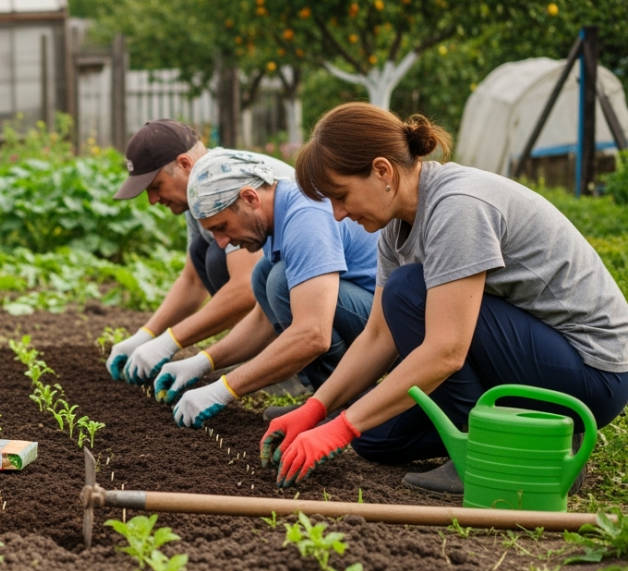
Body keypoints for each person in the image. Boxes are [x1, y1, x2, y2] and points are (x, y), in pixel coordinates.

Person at [262, 102, 628, 494]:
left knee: (407, 292)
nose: (337, 215)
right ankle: (531, 436)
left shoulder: (458, 207)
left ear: (382, 171)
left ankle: (506, 452)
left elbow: (446, 350)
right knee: (373, 438)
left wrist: (339, 426)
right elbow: (377, 336)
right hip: (535, 358)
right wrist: (318, 410)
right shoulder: (394, 229)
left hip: (593, 373)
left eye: (341, 195)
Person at [162, 149, 378, 429]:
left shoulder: (305, 214)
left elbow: (313, 335)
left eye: (223, 226)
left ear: (250, 198)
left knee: (281, 280)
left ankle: (349, 402)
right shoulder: (276, 215)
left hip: (391, 328)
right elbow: (262, 321)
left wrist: (223, 389)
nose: (222, 242)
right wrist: (203, 362)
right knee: (265, 275)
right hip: (366, 311)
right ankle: (327, 397)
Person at [107, 120, 295, 386]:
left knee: (226, 261)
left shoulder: (221, 186)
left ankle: (286, 368)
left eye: (156, 185)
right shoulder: (198, 194)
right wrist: (146, 336)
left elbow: (245, 289)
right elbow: (192, 281)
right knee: (203, 252)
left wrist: (170, 343)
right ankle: (264, 358)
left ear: (184, 164)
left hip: (325, 287)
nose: (152, 199)